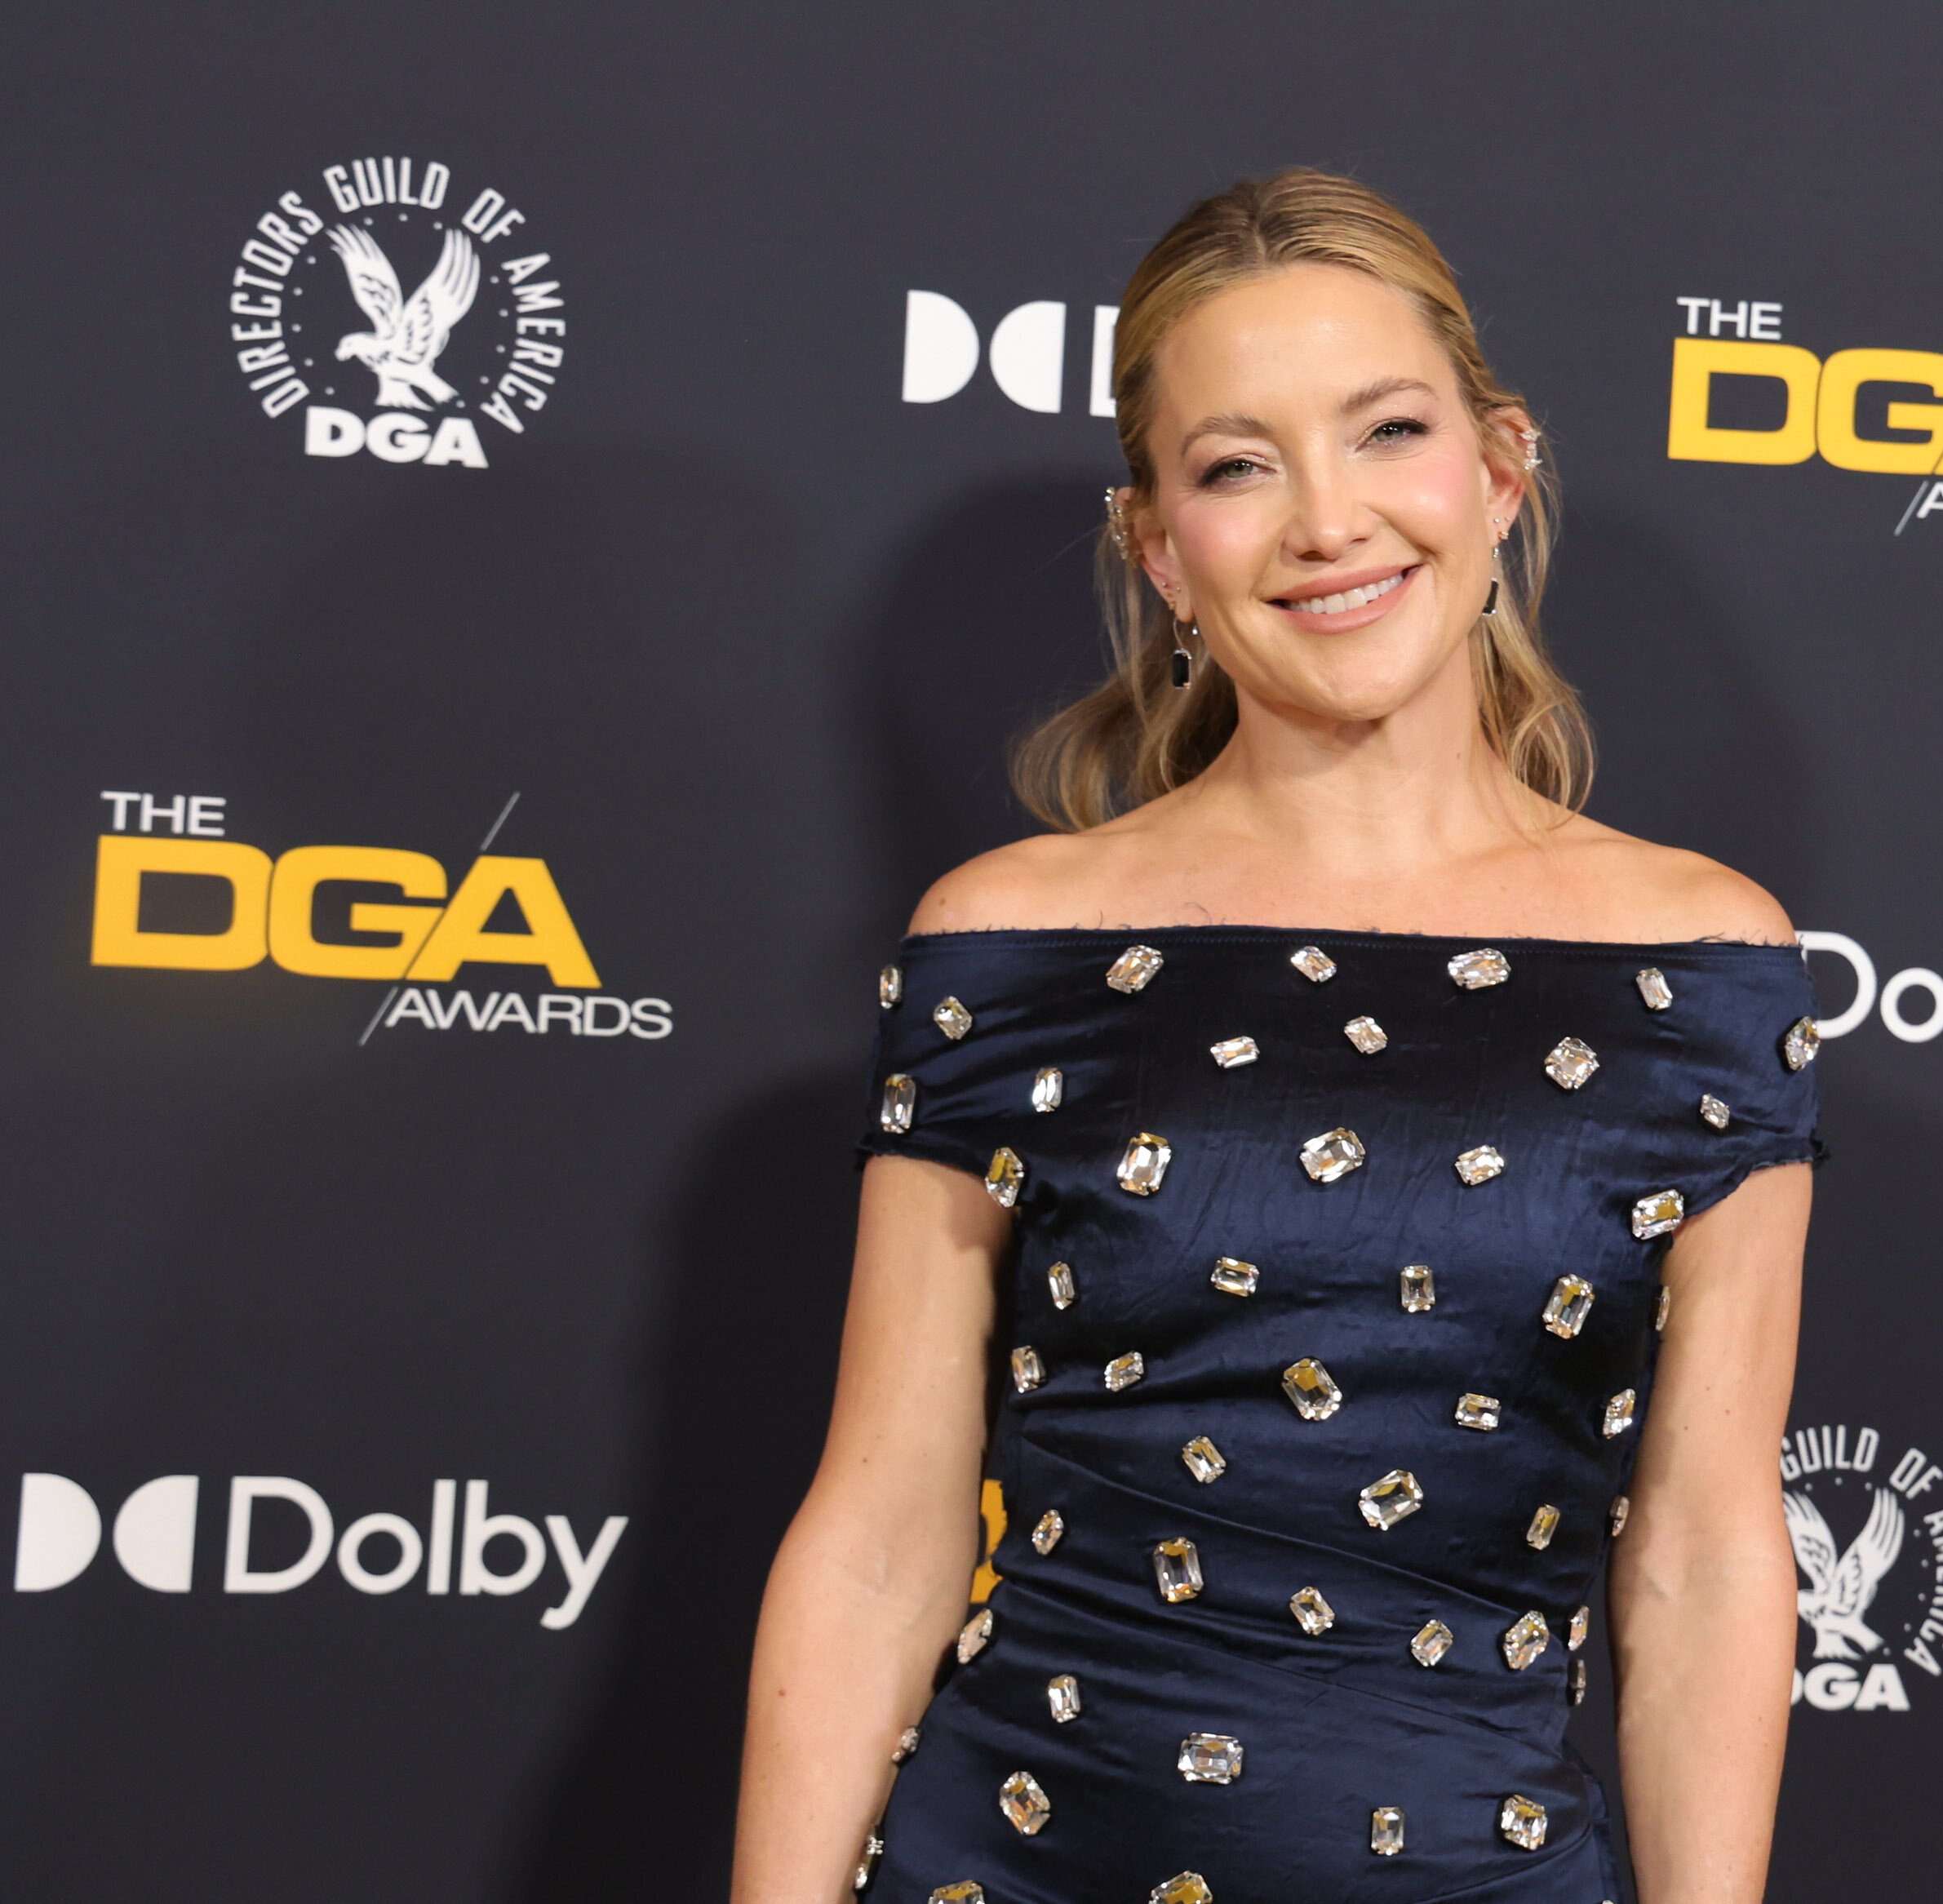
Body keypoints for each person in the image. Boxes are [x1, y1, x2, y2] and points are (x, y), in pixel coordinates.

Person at [735, 169, 1821, 1904]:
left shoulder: (1700, 966)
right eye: (1240, 465)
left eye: (1388, 432)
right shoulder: (1008, 945)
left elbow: (1701, 1560)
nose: (1329, 521)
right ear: (1160, 547)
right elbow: (878, 1536)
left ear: (1500, 471)